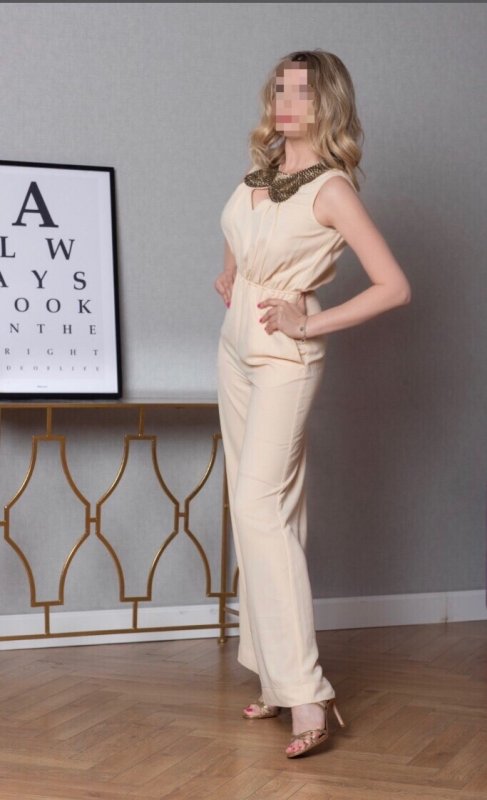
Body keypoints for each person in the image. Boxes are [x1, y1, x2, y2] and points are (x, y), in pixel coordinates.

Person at [214, 49, 411, 758]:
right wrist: (233, 273)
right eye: (278, 87)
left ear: (325, 104)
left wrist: (306, 321)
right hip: (234, 349)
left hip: (284, 356)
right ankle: (273, 675)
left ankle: (307, 692)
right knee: (270, 505)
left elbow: (393, 286)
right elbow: (242, 236)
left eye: (300, 92)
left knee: (258, 508)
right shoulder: (259, 173)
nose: (284, 101)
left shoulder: (331, 188)